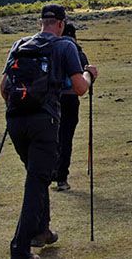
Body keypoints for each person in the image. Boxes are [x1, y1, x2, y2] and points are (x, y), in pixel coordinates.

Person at [0, 5, 98, 259]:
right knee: (36, 181)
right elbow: (79, 88)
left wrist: (21, 106)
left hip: (15, 120)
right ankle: (20, 248)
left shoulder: (20, 44)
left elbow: (4, 87)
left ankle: (42, 230)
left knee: (37, 176)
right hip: (45, 121)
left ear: (40, 22)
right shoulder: (65, 46)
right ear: (61, 24)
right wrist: (89, 74)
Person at [52, 22, 90, 192]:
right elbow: (84, 81)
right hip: (71, 99)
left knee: (52, 136)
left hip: (52, 99)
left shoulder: (53, 49)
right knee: (66, 138)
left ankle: (50, 172)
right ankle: (62, 178)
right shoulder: (78, 52)